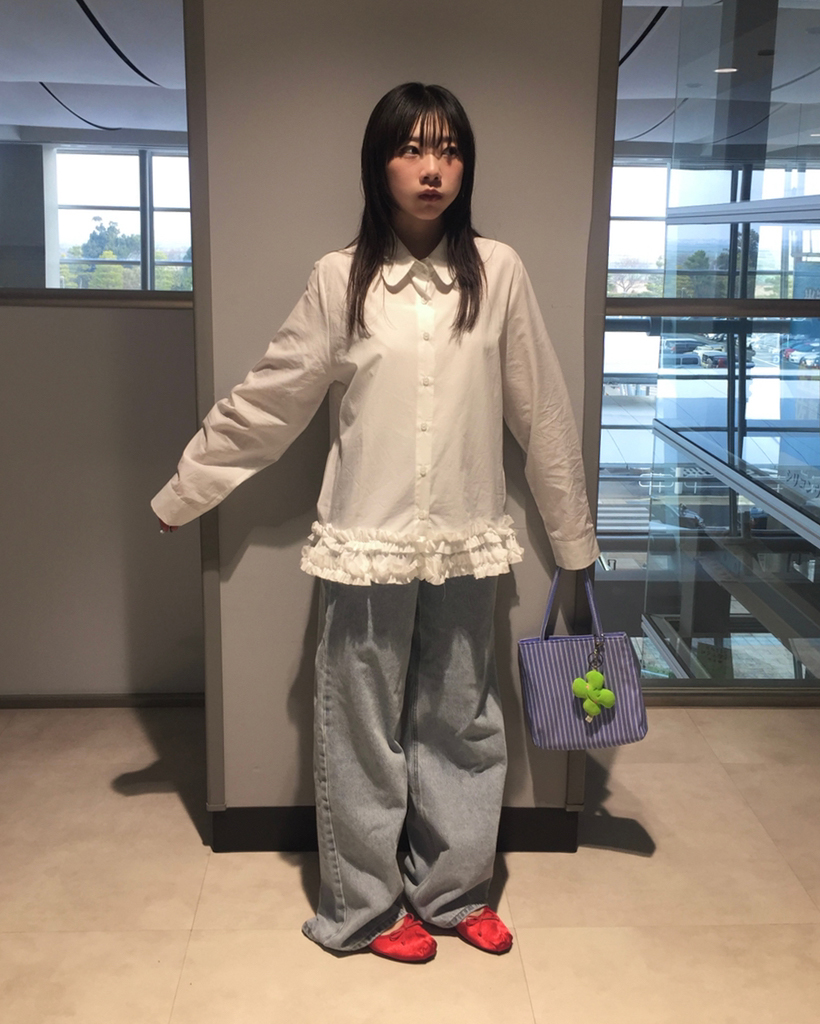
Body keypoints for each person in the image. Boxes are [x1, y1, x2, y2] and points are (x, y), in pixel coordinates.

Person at [152, 82, 600, 962]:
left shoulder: (498, 272)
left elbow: (542, 411)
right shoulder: (340, 277)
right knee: (358, 730)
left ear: (466, 167)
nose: (432, 170)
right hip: (366, 544)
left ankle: (454, 892)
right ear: (380, 164)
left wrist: (574, 540)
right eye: (412, 149)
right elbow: (271, 399)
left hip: (467, 538)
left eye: (449, 151)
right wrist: (187, 488)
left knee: (463, 720)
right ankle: (365, 909)